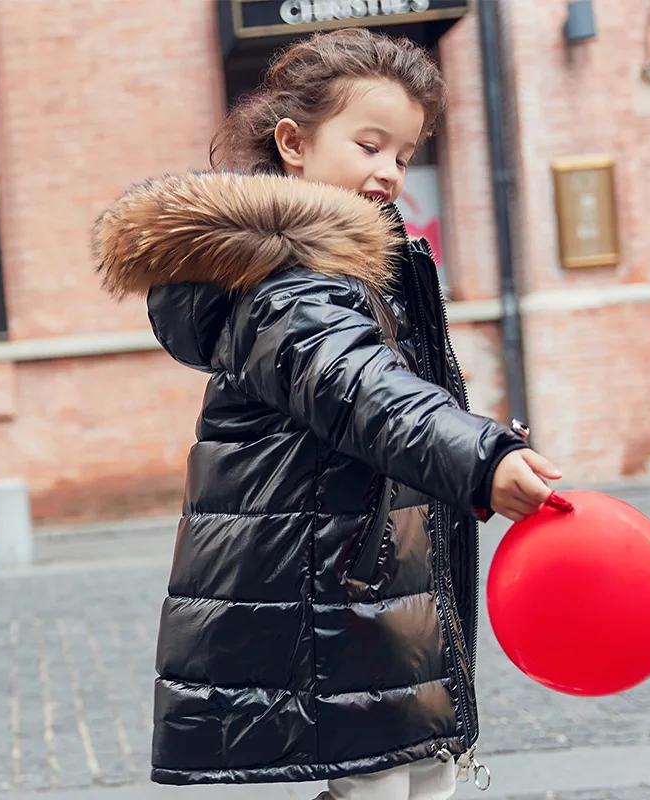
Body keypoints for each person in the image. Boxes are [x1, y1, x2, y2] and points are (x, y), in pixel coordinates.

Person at [93, 28, 561, 800]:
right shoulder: (288, 278)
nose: (389, 172)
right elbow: (361, 387)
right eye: (369, 145)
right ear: (294, 143)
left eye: (405, 156)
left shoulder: (350, 264)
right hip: (329, 590)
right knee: (378, 785)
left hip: (375, 580)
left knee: (428, 774)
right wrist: (480, 457)